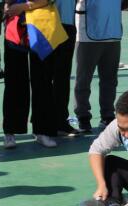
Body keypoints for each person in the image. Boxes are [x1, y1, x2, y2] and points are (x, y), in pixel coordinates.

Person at [1, 0, 59, 149]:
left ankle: (42, 130)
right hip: (15, 31)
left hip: (41, 30)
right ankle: (10, 131)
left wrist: (23, 6)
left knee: (43, 82)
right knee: (14, 82)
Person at [73, 0, 122, 133]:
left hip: (112, 30)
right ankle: (83, 116)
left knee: (110, 78)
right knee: (84, 78)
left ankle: (107, 115)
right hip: (88, 31)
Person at [52, 0, 81, 136]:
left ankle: (61, 122)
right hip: (48, 24)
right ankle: (42, 122)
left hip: (68, 25)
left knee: (62, 78)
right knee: (45, 78)